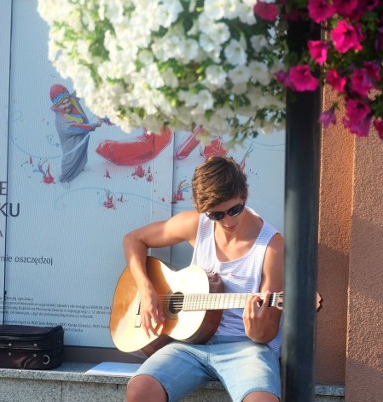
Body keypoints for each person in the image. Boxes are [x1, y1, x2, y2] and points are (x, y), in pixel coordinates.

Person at [123, 156, 283, 402]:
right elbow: (133, 239)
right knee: (140, 390)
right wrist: (147, 292)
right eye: (216, 215)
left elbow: (267, 331)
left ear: (244, 195)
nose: (228, 221)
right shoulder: (197, 225)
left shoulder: (270, 246)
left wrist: (256, 331)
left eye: (234, 210)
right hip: (189, 345)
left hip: (245, 348)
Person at [49, 84, 102, 183]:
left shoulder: (71, 100)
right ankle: (65, 179)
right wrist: (96, 124)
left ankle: (80, 169)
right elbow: (80, 128)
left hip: (81, 139)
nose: (67, 105)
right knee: (70, 160)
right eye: (63, 104)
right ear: (57, 106)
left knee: (82, 154)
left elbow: (80, 91)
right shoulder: (62, 123)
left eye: (67, 101)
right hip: (71, 144)